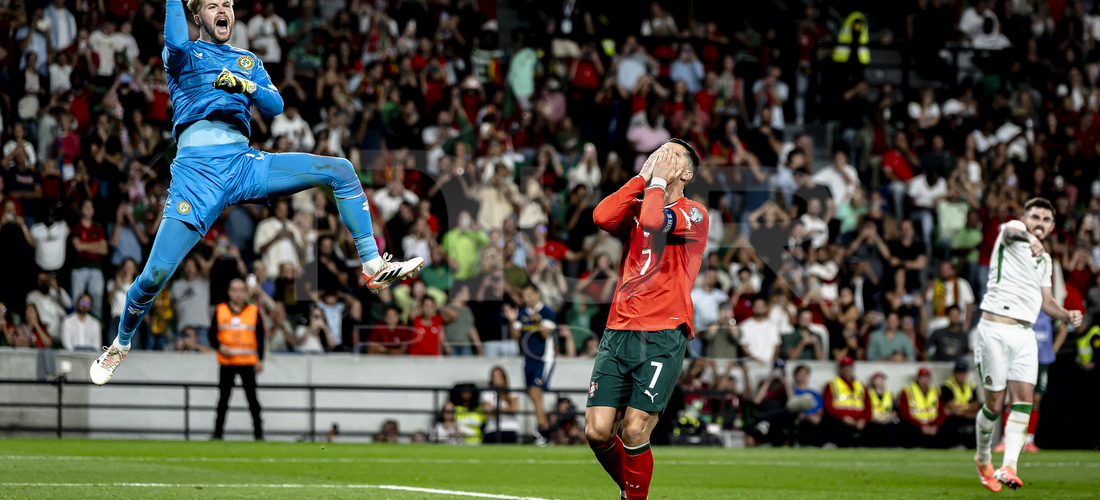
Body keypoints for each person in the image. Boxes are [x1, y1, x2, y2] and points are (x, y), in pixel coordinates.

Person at [90, 0, 424, 385]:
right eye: (213, 5)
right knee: (153, 277)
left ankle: (372, 266)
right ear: (196, 15)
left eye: (228, 4)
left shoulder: (247, 59)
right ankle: (121, 342)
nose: (224, 10)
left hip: (244, 164)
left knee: (342, 171)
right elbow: (177, 45)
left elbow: (275, 105)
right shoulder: (183, 54)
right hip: (197, 177)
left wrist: (243, 83)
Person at [585, 140, 707, 500]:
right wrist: (642, 177)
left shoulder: (695, 213)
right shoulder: (640, 202)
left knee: (636, 430)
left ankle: (635, 498)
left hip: (663, 332)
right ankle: (633, 489)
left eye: (670, 155)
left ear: (684, 173)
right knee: (597, 431)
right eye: (658, 152)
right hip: (618, 329)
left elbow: (655, 221)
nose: (660, 158)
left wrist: (655, 184)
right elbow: (602, 216)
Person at [972, 198, 1083, 492]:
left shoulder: (1046, 260)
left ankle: (1009, 466)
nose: (1040, 222)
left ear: (1053, 226)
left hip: (1025, 334)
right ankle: (983, 460)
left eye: (1046, 220)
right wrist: (1029, 237)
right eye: (1035, 216)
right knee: (994, 405)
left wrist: (1067, 314)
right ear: (1024, 217)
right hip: (995, 329)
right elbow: (1012, 233)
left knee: (1024, 399)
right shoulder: (1014, 231)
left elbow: (1047, 303)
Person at [210, 279, 264, 441]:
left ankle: (259, 434)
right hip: (227, 362)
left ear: (246, 293)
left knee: (253, 400)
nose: (238, 293)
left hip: (247, 362)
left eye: (241, 290)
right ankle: (218, 433)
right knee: (223, 399)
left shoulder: (254, 311)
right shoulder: (220, 310)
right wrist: (220, 347)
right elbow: (212, 335)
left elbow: (260, 337)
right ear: (229, 292)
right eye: (234, 290)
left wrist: (260, 359)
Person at [504, 284, 557, 445]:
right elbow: (515, 337)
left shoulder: (547, 312)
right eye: (524, 296)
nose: (526, 299)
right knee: (533, 394)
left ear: (536, 294)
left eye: (529, 295)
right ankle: (544, 431)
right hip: (528, 359)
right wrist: (513, 321)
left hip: (544, 358)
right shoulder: (522, 313)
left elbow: (545, 333)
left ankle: (543, 431)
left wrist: (537, 319)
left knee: (535, 392)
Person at [821, 356, 870, 448]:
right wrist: (844, 417)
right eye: (845, 367)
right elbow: (828, 406)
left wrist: (863, 420)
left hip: (859, 420)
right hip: (841, 419)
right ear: (840, 369)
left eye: (849, 366)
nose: (847, 369)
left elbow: (868, 406)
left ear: (853, 368)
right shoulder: (832, 384)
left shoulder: (862, 386)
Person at [897, 367, 941, 448]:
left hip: (932, 424)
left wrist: (935, 426)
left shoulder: (936, 391)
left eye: (927, 377)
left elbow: (942, 411)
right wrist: (921, 426)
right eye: (923, 377)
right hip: (915, 424)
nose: (925, 380)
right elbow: (904, 413)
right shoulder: (907, 391)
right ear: (918, 378)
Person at [941, 361, 980, 449]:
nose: (960, 375)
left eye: (963, 373)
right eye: (958, 373)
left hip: (965, 416)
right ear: (954, 374)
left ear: (967, 373)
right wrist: (969, 413)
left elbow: (976, 405)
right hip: (954, 418)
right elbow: (953, 408)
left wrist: (964, 412)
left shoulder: (971, 386)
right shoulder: (947, 386)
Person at [481, 366, 521, 443]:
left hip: (510, 428)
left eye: (499, 376)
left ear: (504, 377)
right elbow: (488, 414)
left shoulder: (511, 391)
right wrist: (506, 409)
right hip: (492, 429)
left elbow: (514, 408)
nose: (497, 379)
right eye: (494, 376)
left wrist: (496, 410)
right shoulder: (487, 393)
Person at [791, 365, 824, 447]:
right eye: (800, 374)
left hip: (816, 420)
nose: (802, 376)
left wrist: (818, 417)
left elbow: (821, 409)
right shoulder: (792, 392)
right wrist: (807, 417)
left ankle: (827, 443)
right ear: (795, 376)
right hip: (802, 421)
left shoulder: (815, 394)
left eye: (804, 374)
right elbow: (791, 408)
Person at [865, 372, 897, 447]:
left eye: (882, 380)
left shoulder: (890, 394)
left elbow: (894, 410)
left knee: (894, 427)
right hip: (873, 420)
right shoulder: (868, 393)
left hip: (887, 420)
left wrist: (890, 417)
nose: (880, 382)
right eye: (877, 380)